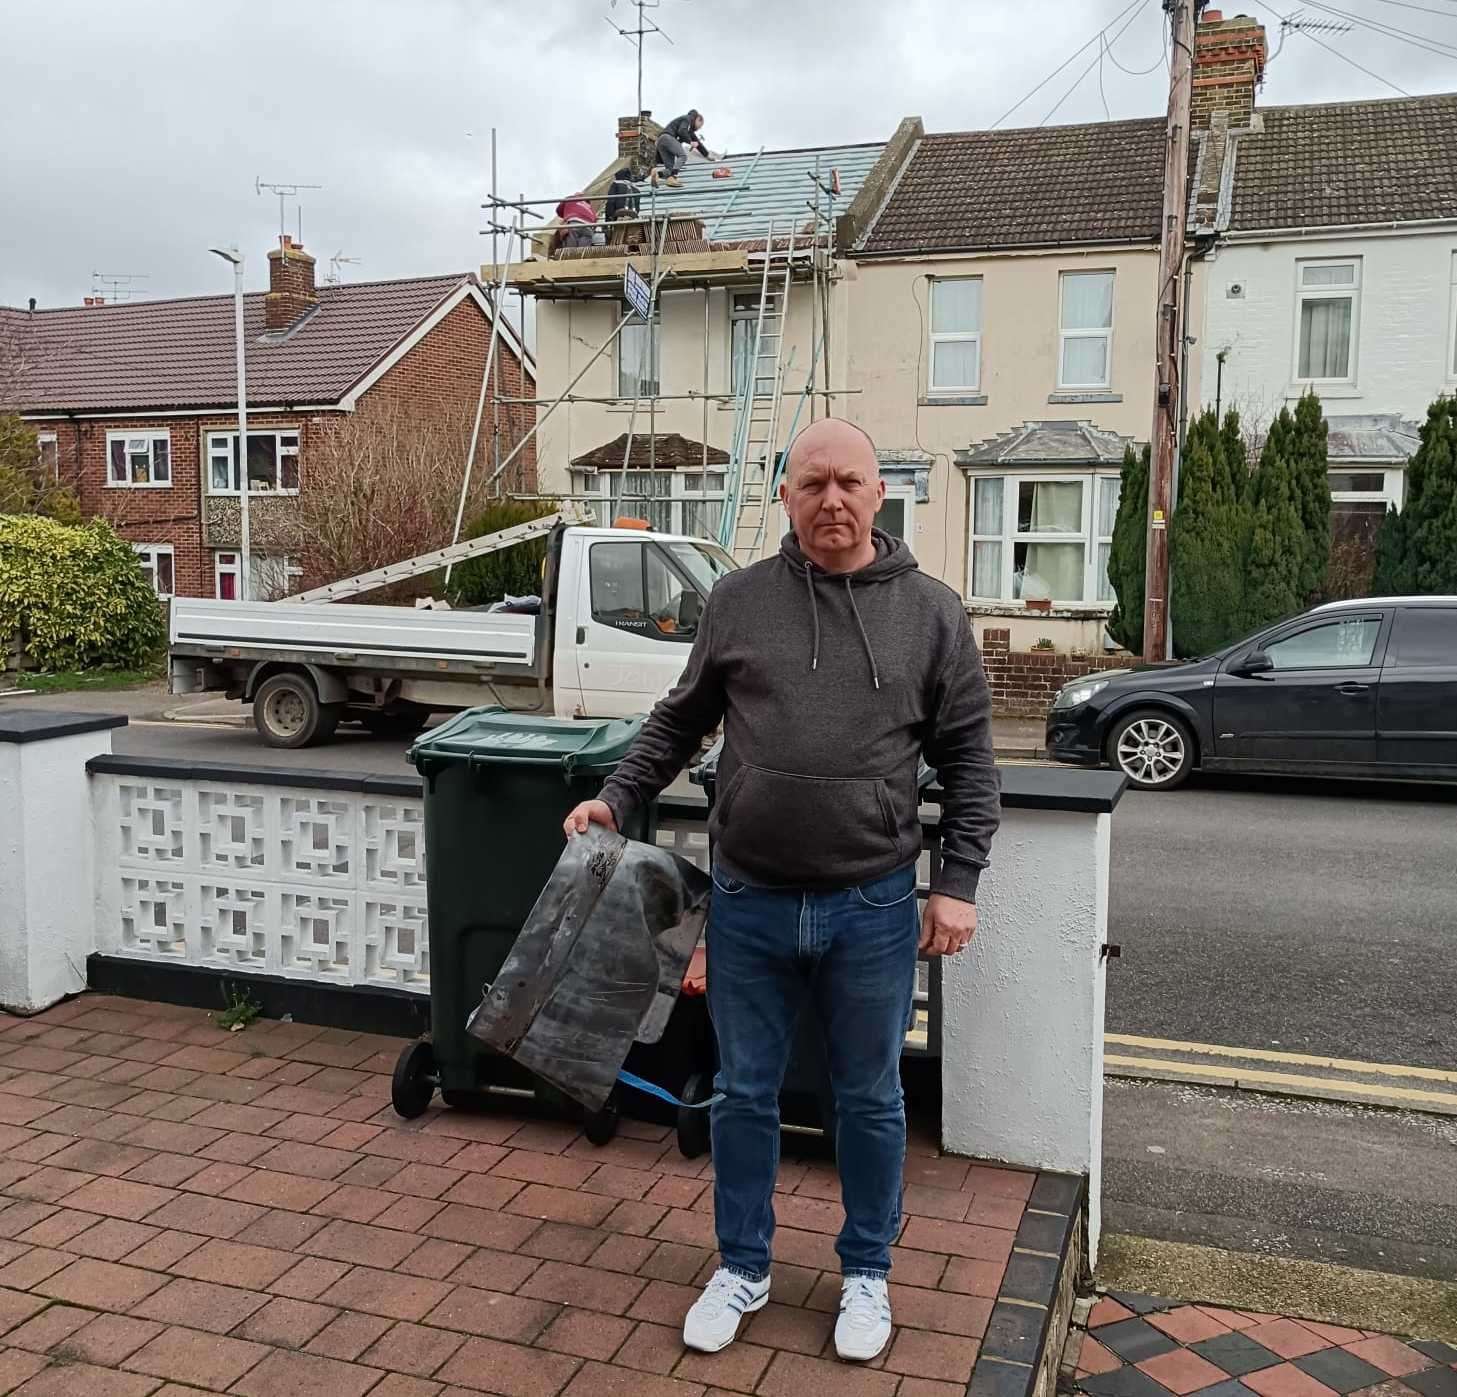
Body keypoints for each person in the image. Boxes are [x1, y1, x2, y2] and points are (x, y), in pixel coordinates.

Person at [564, 417, 1001, 1362]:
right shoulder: (736, 601)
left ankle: (867, 1274)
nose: (831, 500)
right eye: (812, 484)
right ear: (786, 495)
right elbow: (678, 720)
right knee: (744, 1092)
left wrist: (954, 883)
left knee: (871, 1099)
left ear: (880, 493)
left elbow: (969, 760)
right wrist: (615, 796)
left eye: (849, 481)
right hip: (751, 900)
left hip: (875, 904)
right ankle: (744, 1265)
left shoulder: (931, 612)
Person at [652, 109, 711, 187]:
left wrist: (707, 155)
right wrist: (690, 142)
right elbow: (682, 131)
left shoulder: (689, 129)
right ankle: (673, 177)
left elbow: (697, 142)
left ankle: (657, 174)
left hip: (661, 141)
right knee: (682, 156)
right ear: (698, 119)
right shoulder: (688, 119)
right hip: (667, 138)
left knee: (670, 169)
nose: (699, 129)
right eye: (700, 126)